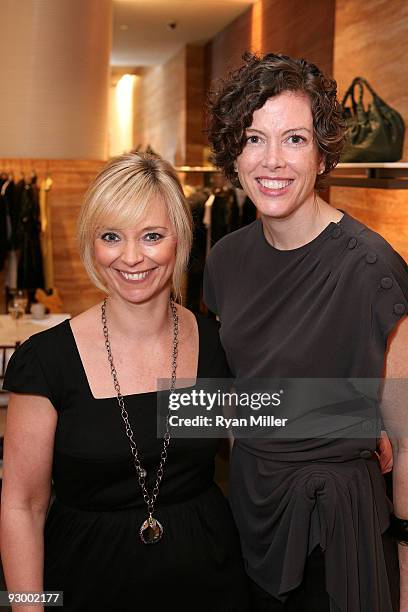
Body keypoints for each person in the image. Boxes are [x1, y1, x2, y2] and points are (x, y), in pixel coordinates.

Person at [1, 152, 249, 611]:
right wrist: (26, 608)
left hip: (209, 582)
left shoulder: (216, 344)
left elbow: (278, 423)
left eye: (152, 236)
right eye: (111, 237)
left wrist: (365, 419)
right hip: (82, 583)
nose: (131, 257)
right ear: (91, 244)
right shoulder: (48, 361)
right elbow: (22, 506)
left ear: (180, 240)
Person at [205, 52, 408, 611]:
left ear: (322, 156)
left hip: (337, 533)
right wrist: (339, 412)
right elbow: (236, 398)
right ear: (234, 154)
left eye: (294, 139)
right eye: (253, 138)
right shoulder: (225, 260)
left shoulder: (372, 270)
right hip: (248, 510)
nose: (273, 160)